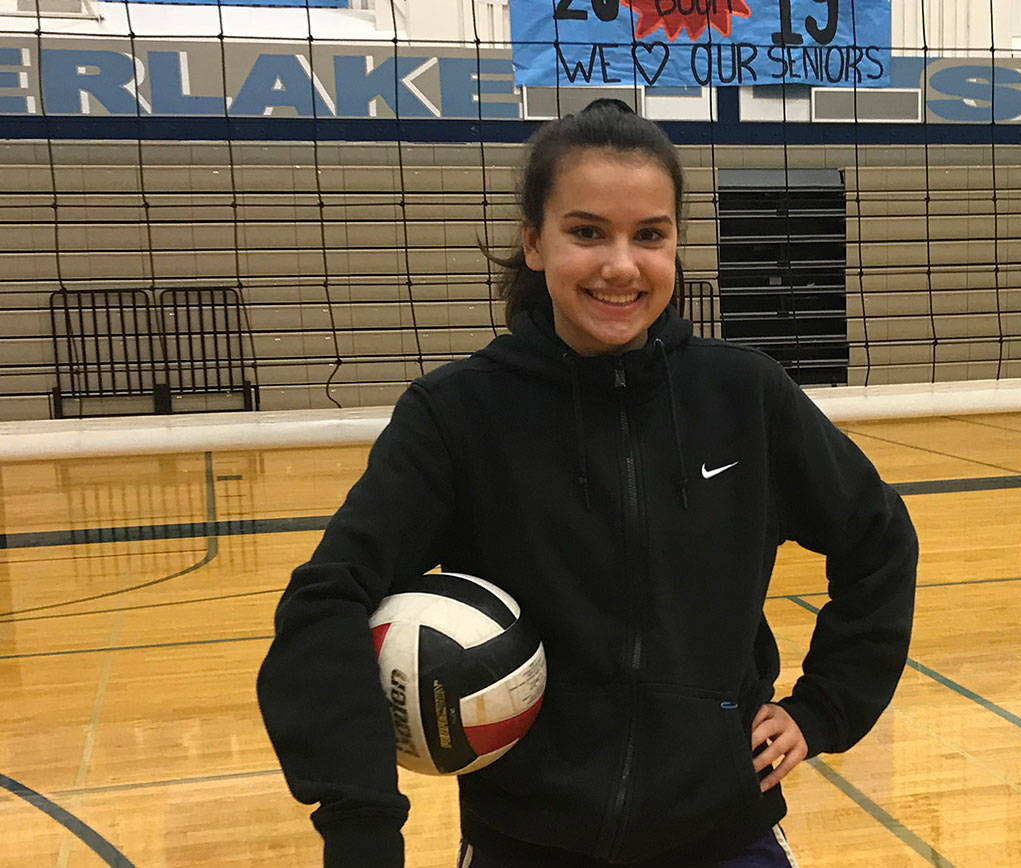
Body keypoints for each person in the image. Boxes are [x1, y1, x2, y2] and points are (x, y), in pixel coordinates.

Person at [256, 98, 917, 868]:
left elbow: (878, 540)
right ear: (534, 243)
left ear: (676, 244)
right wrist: (362, 823)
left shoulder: (745, 396)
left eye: (650, 236)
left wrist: (825, 706)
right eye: (586, 231)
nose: (621, 265)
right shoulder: (460, 415)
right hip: (529, 844)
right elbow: (325, 599)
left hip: (722, 834)